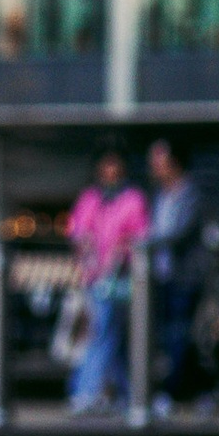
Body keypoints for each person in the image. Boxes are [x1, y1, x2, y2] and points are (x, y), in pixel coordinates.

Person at [64, 144, 148, 412]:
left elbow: (140, 234)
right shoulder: (91, 198)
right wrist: (84, 247)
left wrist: (123, 249)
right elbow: (77, 230)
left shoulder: (132, 198)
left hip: (119, 278)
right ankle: (128, 394)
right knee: (107, 335)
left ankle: (85, 390)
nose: (110, 171)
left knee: (104, 332)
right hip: (93, 277)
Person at [145, 137, 203, 412]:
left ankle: (174, 390)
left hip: (184, 277)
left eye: (160, 162)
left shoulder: (190, 193)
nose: (155, 168)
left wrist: (146, 243)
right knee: (172, 334)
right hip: (162, 275)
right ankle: (198, 387)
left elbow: (178, 233)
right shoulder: (159, 196)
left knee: (178, 333)